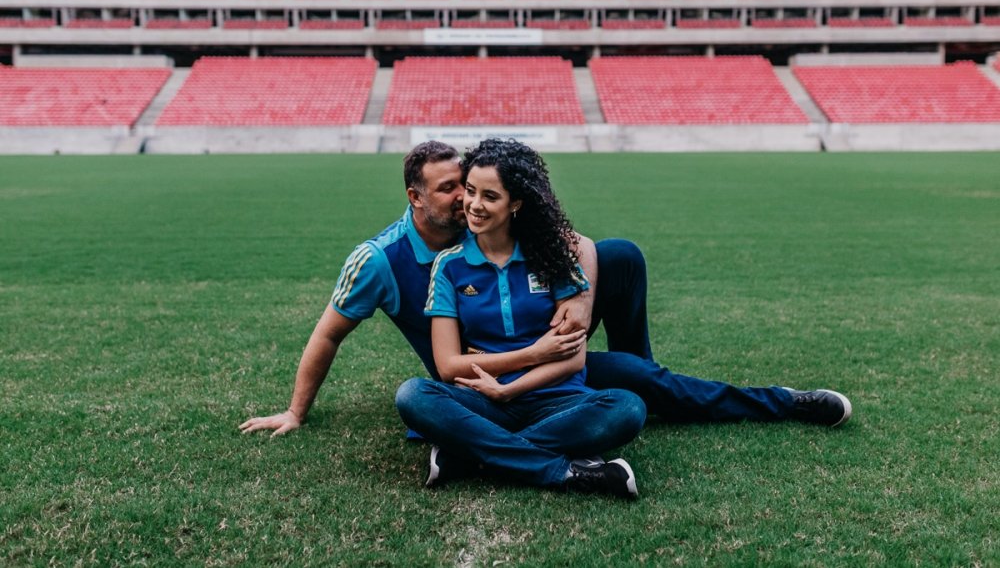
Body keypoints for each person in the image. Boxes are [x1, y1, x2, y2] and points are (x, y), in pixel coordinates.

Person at [239, 140, 850, 440]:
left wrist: (577, 306)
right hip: (475, 380)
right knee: (422, 398)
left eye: (470, 186)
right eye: (452, 189)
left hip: (551, 364)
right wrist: (296, 412)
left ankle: (782, 402)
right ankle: (521, 435)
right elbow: (328, 333)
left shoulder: (487, 221)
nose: (465, 199)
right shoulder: (381, 259)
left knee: (628, 290)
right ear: (414, 197)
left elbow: (577, 242)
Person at [397, 139, 646, 498]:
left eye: (490, 196)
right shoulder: (448, 265)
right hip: (483, 401)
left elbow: (573, 358)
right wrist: (531, 355)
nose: (474, 205)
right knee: (413, 394)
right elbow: (448, 366)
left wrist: (511, 389)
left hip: (557, 401)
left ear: (515, 203)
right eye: (470, 191)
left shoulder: (549, 255)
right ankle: (566, 472)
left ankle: (469, 456)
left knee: (627, 407)